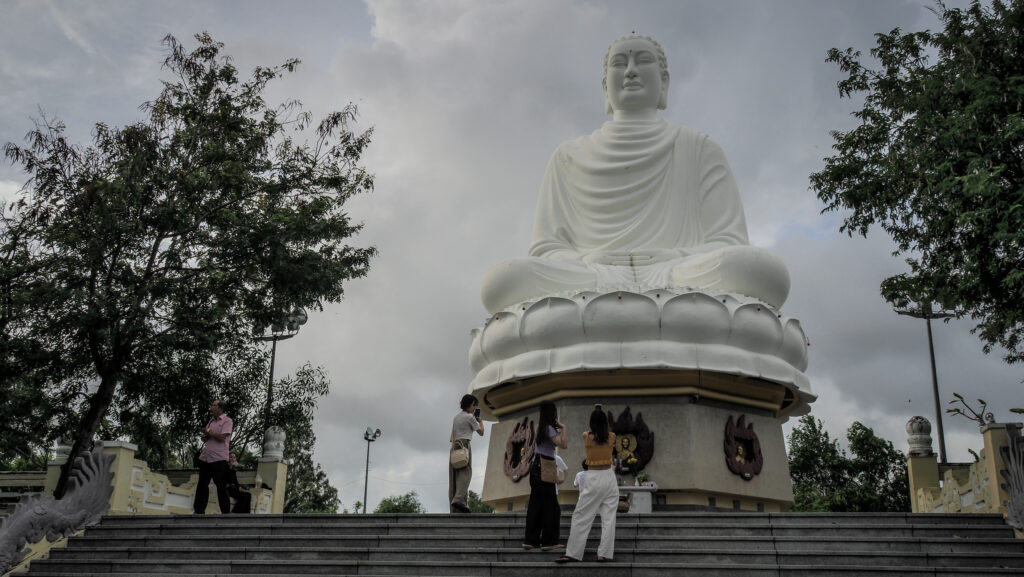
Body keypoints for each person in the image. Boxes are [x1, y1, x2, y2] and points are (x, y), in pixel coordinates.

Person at [480, 33, 790, 314]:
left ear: (663, 82)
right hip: (592, 275)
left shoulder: (699, 148)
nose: (630, 71)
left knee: (758, 269)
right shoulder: (568, 156)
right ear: (605, 85)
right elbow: (548, 248)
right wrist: (587, 261)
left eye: (642, 61)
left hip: (675, 272)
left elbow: (728, 242)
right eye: (619, 63)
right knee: (502, 281)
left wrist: (673, 256)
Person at [556, 406, 618, 563]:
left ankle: (573, 553)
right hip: (610, 478)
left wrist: (595, 416)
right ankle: (604, 553)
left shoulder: (587, 436)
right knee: (609, 518)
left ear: (591, 422)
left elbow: (590, 430)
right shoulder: (612, 436)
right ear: (606, 423)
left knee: (581, 516)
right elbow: (604, 431)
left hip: (594, 478)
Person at [523, 400, 567, 551]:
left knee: (535, 505)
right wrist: (563, 428)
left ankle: (531, 540)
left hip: (536, 466)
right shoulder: (550, 429)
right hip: (546, 467)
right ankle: (549, 541)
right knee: (551, 506)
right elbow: (563, 444)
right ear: (552, 413)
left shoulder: (540, 427)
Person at [193, 399, 232, 514]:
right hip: (206, 457)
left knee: (221, 486)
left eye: (214, 405)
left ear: (220, 408)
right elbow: (206, 438)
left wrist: (209, 432)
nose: (211, 407)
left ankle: (225, 513)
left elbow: (222, 437)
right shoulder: (211, 421)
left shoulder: (227, 421)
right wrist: (204, 435)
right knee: (202, 485)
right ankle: (198, 511)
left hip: (219, 459)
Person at [449, 394, 484, 513]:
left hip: (454, 447)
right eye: (474, 405)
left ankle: (458, 505)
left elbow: (452, 436)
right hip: (464, 445)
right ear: (469, 405)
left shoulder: (456, 417)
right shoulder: (470, 417)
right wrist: (480, 421)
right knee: (466, 473)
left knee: (455, 476)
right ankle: (458, 499)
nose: (475, 408)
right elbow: (481, 432)